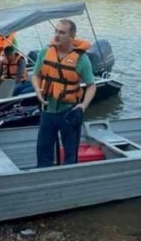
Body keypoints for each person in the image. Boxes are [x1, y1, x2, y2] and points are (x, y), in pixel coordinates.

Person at [32, 19, 96, 167]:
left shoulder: (81, 59)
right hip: (47, 111)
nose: (56, 35)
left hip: (69, 112)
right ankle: (44, 174)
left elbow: (91, 86)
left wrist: (83, 106)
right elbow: (35, 75)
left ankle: (69, 176)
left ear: (71, 37)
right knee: (43, 152)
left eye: (62, 32)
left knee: (70, 155)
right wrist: (37, 89)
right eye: (56, 31)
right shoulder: (45, 52)